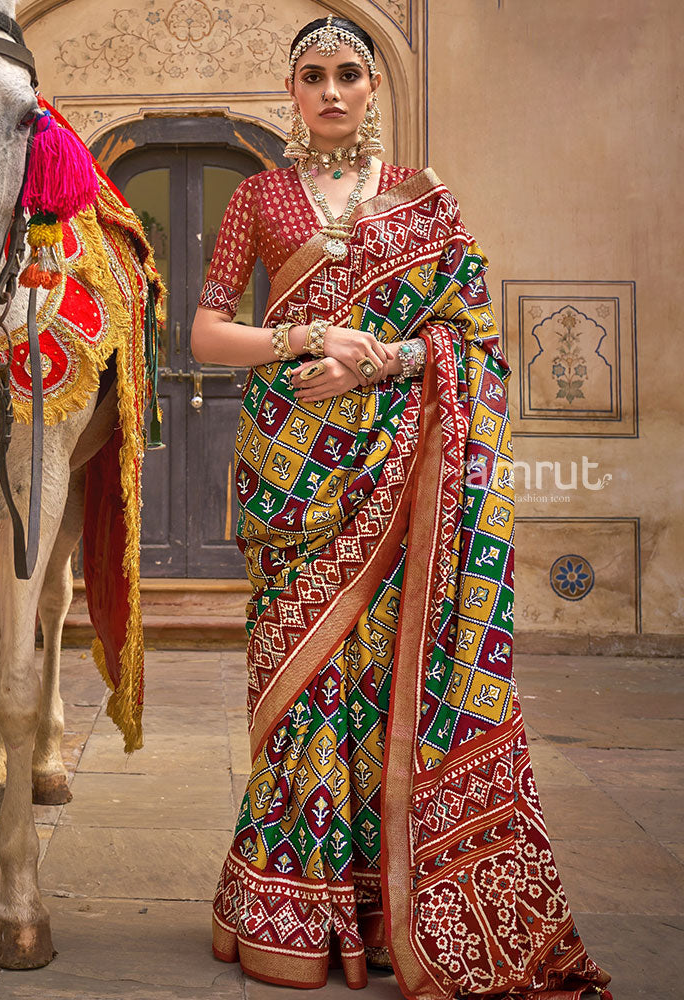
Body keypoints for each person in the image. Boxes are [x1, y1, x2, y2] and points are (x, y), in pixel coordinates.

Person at [191, 16, 612, 1000]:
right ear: (289, 93)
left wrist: (383, 355)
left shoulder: (422, 201)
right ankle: (286, 907)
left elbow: (473, 342)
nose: (330, 91)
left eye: (347, 74)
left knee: (382, 684)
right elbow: (210, 331)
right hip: (291, 481)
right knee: (295, 693)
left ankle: (383, 910)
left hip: (396, 471)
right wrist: (304, 340)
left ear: (372, 88)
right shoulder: (257, 197)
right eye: (311, 76)